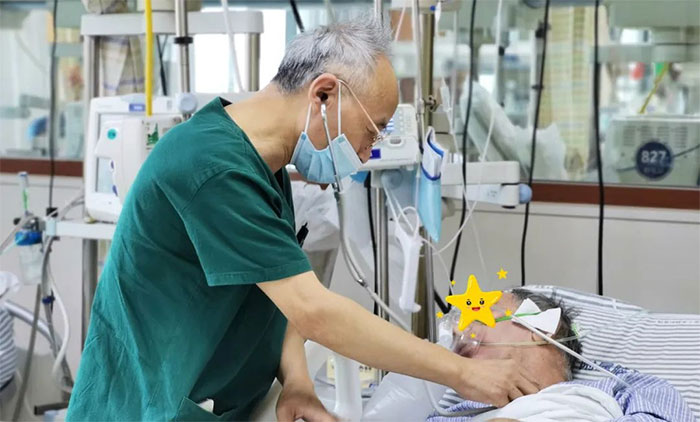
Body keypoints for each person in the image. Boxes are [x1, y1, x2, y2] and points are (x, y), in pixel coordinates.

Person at [66, 17, 541, 422]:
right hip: (146, 406)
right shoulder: (213, 168)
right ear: (324, 95)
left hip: (212, 399)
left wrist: (296, 380)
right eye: (372, 131)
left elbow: (281, 298)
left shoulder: (265, 163)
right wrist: (463, 372)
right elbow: (315, 311)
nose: (366, 153)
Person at [427, 289, 695, 422]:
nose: (459, 329)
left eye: (481, 314)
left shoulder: (626, 388)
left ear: (541, 327)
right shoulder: (448, 411)